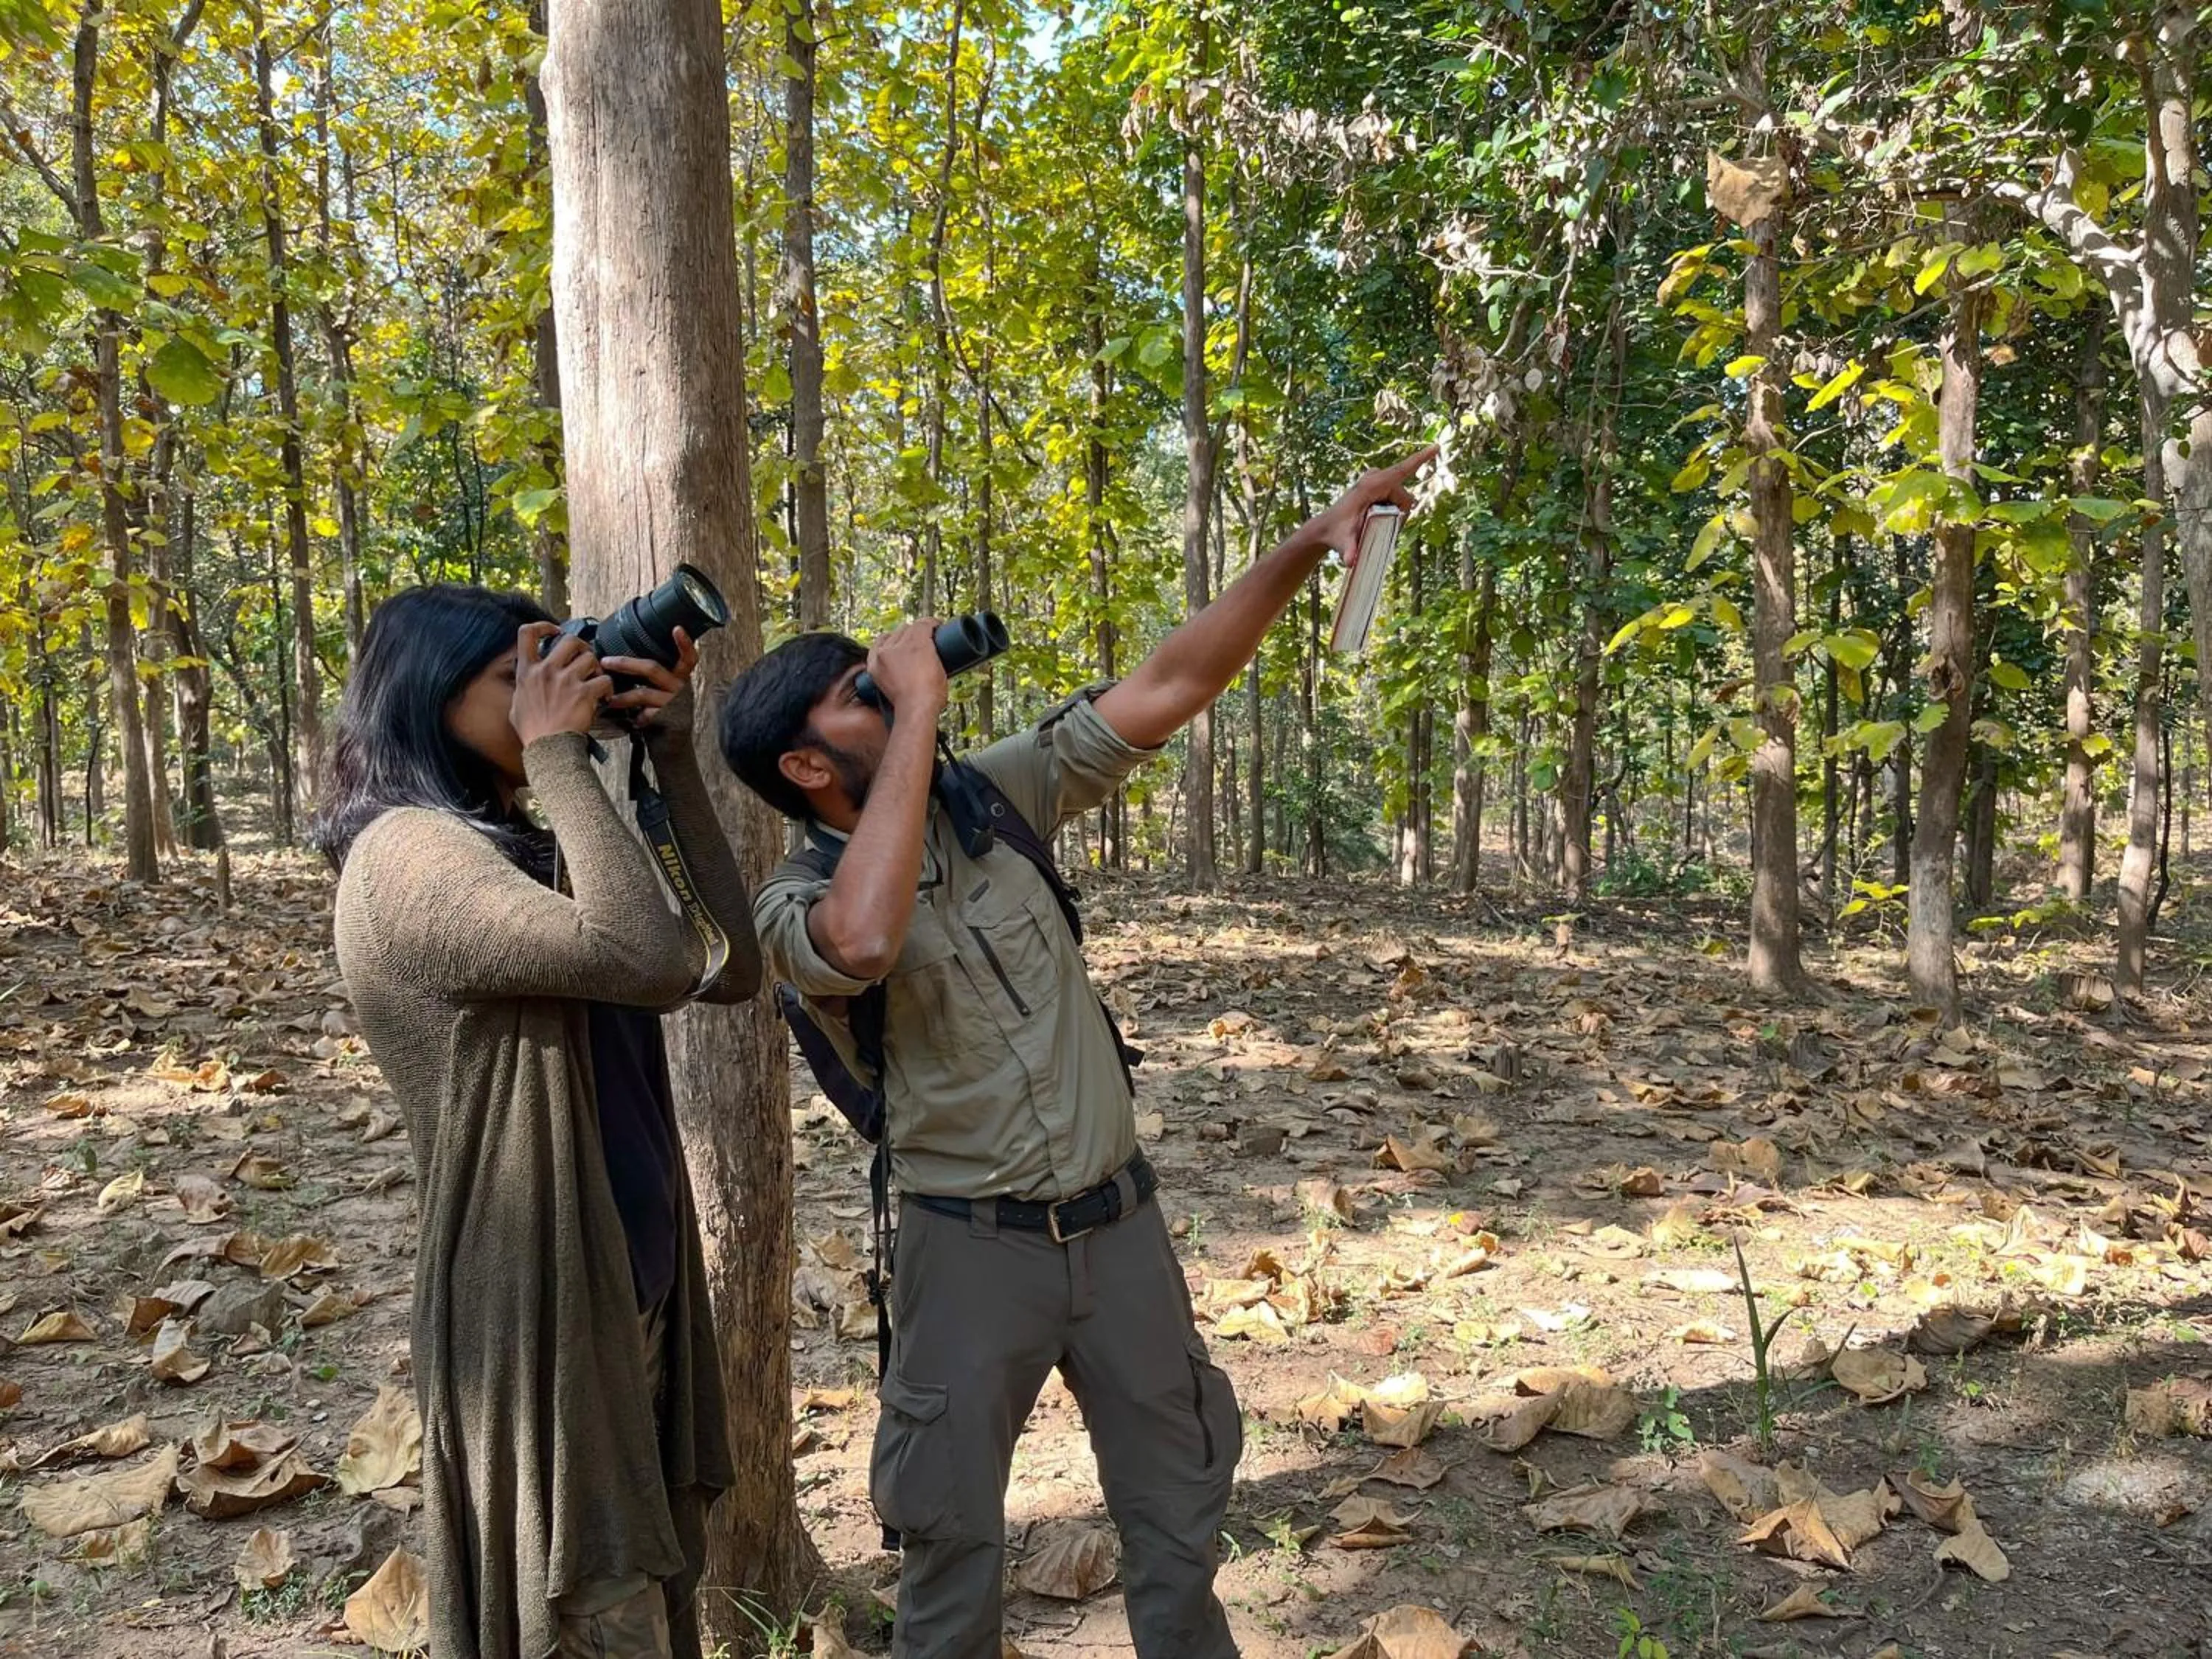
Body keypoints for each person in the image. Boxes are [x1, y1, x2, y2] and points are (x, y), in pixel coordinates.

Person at [718, 445, 1433, 1659]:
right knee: (950, 1554)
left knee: (1180, 1518)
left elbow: (1169, 681)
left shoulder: (994, 802)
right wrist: (921, 716)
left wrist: (1308, 545)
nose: (892, 687)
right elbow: (869, 935)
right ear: (803, 764)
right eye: (859, 691)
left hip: (1122, 1233)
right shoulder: (792, 901)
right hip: (966, 1248)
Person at [316, 583, 761, 1659]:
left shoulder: (512, 844)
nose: (550, 691)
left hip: (620, 1295)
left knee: (638, 1603)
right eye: (518, 675)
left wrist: (667, 761)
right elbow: (643, 959)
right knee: (594, 1617)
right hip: (544, 1318)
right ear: (430, 694)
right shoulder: (405, 857)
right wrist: (565, 755)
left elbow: (726, 966)